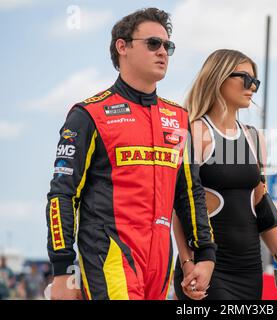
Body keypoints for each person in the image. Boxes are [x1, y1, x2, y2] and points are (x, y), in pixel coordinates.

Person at [45, 8, 216, 300]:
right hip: (109, 253)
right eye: (153, 43)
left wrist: (204, 255)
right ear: (122, 47)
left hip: (159, 260)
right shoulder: (88, 115)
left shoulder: (178, 117)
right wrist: (62, 271)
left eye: (168, 46)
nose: (163, 52)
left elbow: (190, 192)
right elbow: (62, 195)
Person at [173, 49, 277, 300]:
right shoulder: (194, 133)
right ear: (218, 77)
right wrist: (187, 264)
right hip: (208, 267)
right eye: (245, 78)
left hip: (249, 269)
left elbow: (262, 205)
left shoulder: (254, 138)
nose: (252, 86)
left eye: (255, 81)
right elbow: (180, 208)